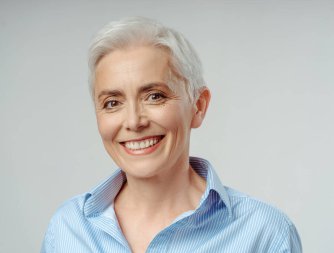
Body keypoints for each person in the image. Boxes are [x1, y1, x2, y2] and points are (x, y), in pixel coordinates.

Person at [41, 17, 302, 253]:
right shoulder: (67, 229)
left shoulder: (265, 234)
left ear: (198, 106)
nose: (133, 121)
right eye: (112, 102)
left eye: (155, 96)